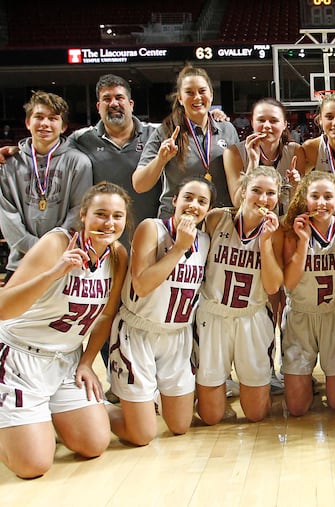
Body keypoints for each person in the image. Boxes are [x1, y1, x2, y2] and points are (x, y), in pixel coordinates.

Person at [0, 182, 130, 478]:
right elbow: (3, 308)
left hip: (66, 360)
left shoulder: (118, 255)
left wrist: (87, 362)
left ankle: (41, 417)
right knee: (33, 466)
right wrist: (53, 273)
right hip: (19, 357)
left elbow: (106, 315)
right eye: (100, 214)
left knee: (94, 444)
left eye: (117, 216)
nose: (109, 223)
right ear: (83, 215)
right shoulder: (57, 243)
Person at [107, 177, 213, 446]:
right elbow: (141, 285)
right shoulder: (151, 228)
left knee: (179, 426)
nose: (193, 205)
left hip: (177, 336)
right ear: (174, 200)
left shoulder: (205, 240)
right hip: (138, 331)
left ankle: (147, 401)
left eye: (202, 201)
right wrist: (179, 248)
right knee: (142, 436)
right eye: (188, 197)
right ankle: (89, 410)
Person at [195, 167, 284, 424]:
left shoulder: (277, 231)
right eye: (256, 190)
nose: (263, 199)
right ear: (243, 192)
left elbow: (272, 287)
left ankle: (251, 386)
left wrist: (265, 243)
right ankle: (206, 392)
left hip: (252, 317)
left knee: (256, 414)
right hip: (213, 315)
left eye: (270, 193)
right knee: (210, 416)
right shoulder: (215, 219)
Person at [0, 90, 92, 282]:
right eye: (39, 117)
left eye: (53, 118)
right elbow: (7, 217)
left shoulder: (79, 163)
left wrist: (52, 251)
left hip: (63, 262)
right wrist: (40, 250)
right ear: (27, 123)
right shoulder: (8, 164)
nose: (45, 123)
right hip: (20, 265)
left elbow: (78, 212)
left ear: (64, 126)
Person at [280, 171, 335, 416]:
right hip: (301, 316)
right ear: (305, 199)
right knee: (297, 409)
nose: (321, 203)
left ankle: (319, 382)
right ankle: (303, 380)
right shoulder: (293, 231)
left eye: (328, 197)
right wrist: (302, 242)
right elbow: (289, 282)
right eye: (315, 196)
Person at [68, 74, 162, 255]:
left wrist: (213, 116)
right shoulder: (81, 139)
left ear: (131, 104)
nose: (113, 104)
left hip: (151, 241)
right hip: (103, 243)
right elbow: (49, 151)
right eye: (106, 99)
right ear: (98, 107)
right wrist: (15, 151)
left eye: (119, 97)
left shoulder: (157, 133)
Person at [133, 65, 238, 218]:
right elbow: (139, 185)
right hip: (177, 219)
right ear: (180, 98)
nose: (197, 97)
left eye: (202, 91)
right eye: (189, 92)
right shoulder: (166, 132)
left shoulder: (227, 129)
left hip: (218, 221)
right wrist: (160, 160)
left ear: (211, 94)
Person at [223, 98, 305, 215]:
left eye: (273, 121)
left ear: (284, 125)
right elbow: (237, 202)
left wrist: (295, 186)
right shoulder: (233, 153)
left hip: (284, 223)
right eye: (261, 120)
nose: (266, 126)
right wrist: (252, 163)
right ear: (252, 123)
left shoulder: (295, 151)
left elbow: (299, 204)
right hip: (249, 224)